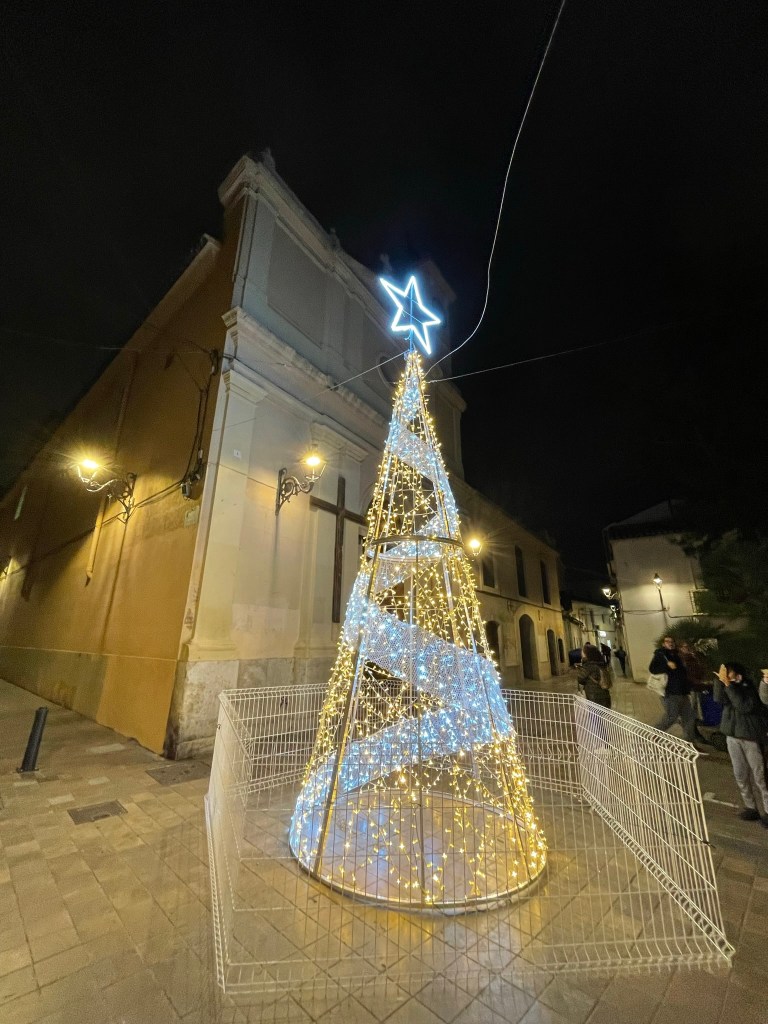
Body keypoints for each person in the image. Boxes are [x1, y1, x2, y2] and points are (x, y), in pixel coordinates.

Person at [712, 662, 768, 828]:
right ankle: (751, 807)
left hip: (750, 738)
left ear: (737, 673)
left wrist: (728, 685)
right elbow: (718, 698)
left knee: (760, 776)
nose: (726, 676)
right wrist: (718, 681)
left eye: (728, 673)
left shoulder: (747, 686)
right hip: (732, 737)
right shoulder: (729, 687)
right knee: (740, 774)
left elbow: (744, 706)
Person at [648, 636, 698, 744]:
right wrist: (666, 666)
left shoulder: (678, 654)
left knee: (689, 717)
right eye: (667, 641)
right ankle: (656, 733)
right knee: (672, 717)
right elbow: (652, 669)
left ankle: (689, 743)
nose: (670, 643)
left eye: (672, 641)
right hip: (670, 693)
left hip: (683, 692)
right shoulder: (660, 654)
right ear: (663, 644)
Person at [577, 644, 612, 709]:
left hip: (593, 697)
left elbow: (580, 679)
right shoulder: (601, 664)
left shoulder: (588, 666)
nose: (581, 653)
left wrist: (581, 666)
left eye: (583, 651)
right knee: (602, 717)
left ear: (587, 654)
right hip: (605, 696)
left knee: (594, 717)